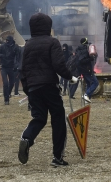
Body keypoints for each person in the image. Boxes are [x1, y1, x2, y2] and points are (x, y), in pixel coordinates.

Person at [18, 13, 77, 167]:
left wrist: (27, 89)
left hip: (33, 87)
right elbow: (58, 65)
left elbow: (23, 70)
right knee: (58, 118)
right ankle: (57, 157)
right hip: (49, 85)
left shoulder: (28, 45)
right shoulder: (53, 42)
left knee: (39, 118)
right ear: (48, 26)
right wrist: (70, 77)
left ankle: (26, 138)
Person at [0, 35, 20, 105]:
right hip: (3, 67)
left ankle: (8, 94)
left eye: (8, 41)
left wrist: (16, 65)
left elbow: (18, 57)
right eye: (6, 40)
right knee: (5, 83)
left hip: (12, 67)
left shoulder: (15, 47)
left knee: (12, 83)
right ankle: (6, 99)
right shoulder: (2, 46)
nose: (7, 42)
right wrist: (1, 56)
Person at [75, 37, 98, 104]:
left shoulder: (78, 49)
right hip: (87, 70)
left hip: (82, 70)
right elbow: (81, 60)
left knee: (89, 83)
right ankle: (86, 95)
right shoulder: (85, 49)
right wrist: (90, 59)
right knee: (95, 83)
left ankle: (87, 99)